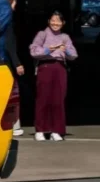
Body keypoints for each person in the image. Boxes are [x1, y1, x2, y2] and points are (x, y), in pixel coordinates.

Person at [29, 11, 78, 141]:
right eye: (53, 20)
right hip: (45, 66)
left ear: (63, 23)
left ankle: (56, 130)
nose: (55, 23)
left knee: (58, 100)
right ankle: (40, 130)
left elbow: (73, 55)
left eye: (58, 21)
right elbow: (33, 51)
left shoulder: (65, 37)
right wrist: (47, 50)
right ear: (48, 21)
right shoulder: (42, 34)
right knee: (43, 99)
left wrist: (65, 50)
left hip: (60, 67)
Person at [4, 0, 25, 135]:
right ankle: (12, 125)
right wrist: (17, 63)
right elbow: (9, 44)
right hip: (8, 62)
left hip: (3, 60)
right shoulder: (7, 21)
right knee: (10, 94)